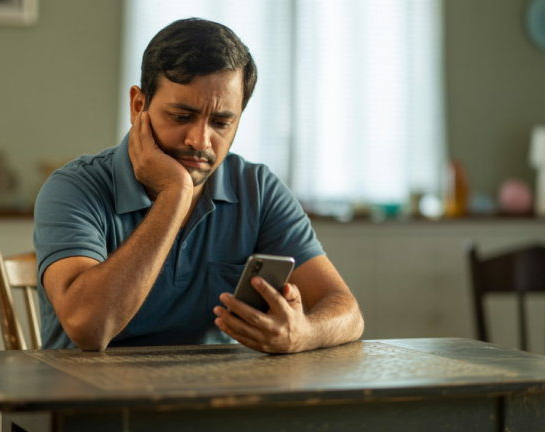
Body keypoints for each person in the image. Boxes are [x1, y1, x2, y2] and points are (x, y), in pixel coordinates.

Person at [34, 18, 364, 353]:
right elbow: (89, 328)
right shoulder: (73, 188)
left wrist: (303, 333)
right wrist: (174, 195)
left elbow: (347, 312)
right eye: (181, 117)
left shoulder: (258, 189)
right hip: (87, 386)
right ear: (138, 106)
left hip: (214, 386)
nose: (200, 141)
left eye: (221, 122)